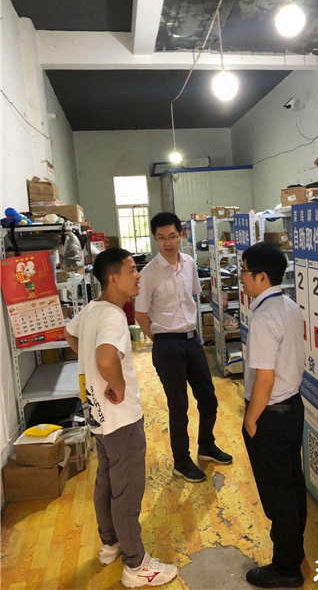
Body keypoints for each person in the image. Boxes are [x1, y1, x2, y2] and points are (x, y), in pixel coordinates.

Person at [64, 248, 177, 588]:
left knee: (107, 482)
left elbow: (70, 334)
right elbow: (105, 359)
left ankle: (110, 543)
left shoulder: (92, 309)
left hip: (96, 414)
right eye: (131, 270)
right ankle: (136, 564)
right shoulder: (113, 316)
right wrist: (118, 384)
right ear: (113, 279)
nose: (138, 275)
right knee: (126, 491)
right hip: (120, 418)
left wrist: (94, 369)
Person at [135, 212, 232, 483]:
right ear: (155, 239)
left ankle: (206, 446)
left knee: (209, 399)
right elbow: (140, 314)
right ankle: (181, 461)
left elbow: (192, 297)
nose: (167, 243)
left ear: (181, 235)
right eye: (161, 238)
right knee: (178, 406)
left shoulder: (189, 263)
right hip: (167, 345)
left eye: (172, 236)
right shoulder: (148, 273)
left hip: (193, 341)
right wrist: (159, 340)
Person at [239, 242, 307, 589]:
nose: (241, 277)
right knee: (292, 483)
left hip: (271, 415)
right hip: (292, 407)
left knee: (277, 493)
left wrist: (251, 419)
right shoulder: (289, 306)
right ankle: (295, 548)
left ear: (262, 277)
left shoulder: (265, 318)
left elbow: (264, 380)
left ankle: (286, 568)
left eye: (244, 271)